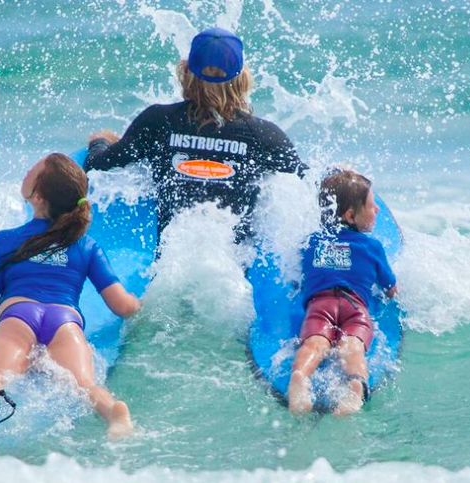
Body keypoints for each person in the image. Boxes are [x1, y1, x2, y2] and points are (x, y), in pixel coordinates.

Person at [0, 153, 141, 439]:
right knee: (85, 385)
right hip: (64, 321)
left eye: (32, 172)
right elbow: (122, 305)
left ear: (37, 197)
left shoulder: (5, 239)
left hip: (18, 315)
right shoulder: (86, 245)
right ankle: (113, 413)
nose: (26, 172)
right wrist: (142, 305)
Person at [84, 27, 305, 242]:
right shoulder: (263, 134)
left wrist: (99, 141)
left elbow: (97, 164)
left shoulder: (157, 121)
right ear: (243, 78)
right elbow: (308, 186)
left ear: (186, 72)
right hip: (234, 271)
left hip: (172, 265)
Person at [287, 170, 398, 416]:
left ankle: (300, 376)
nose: (377, 210)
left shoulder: (312, 242)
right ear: (350, 215)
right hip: (354, 307)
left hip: (320, 304)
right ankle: (355, 387)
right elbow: (390, 289)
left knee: (314, 344)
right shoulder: (372, 246)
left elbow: (298, 279)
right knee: (352, 346)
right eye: (372, 206)